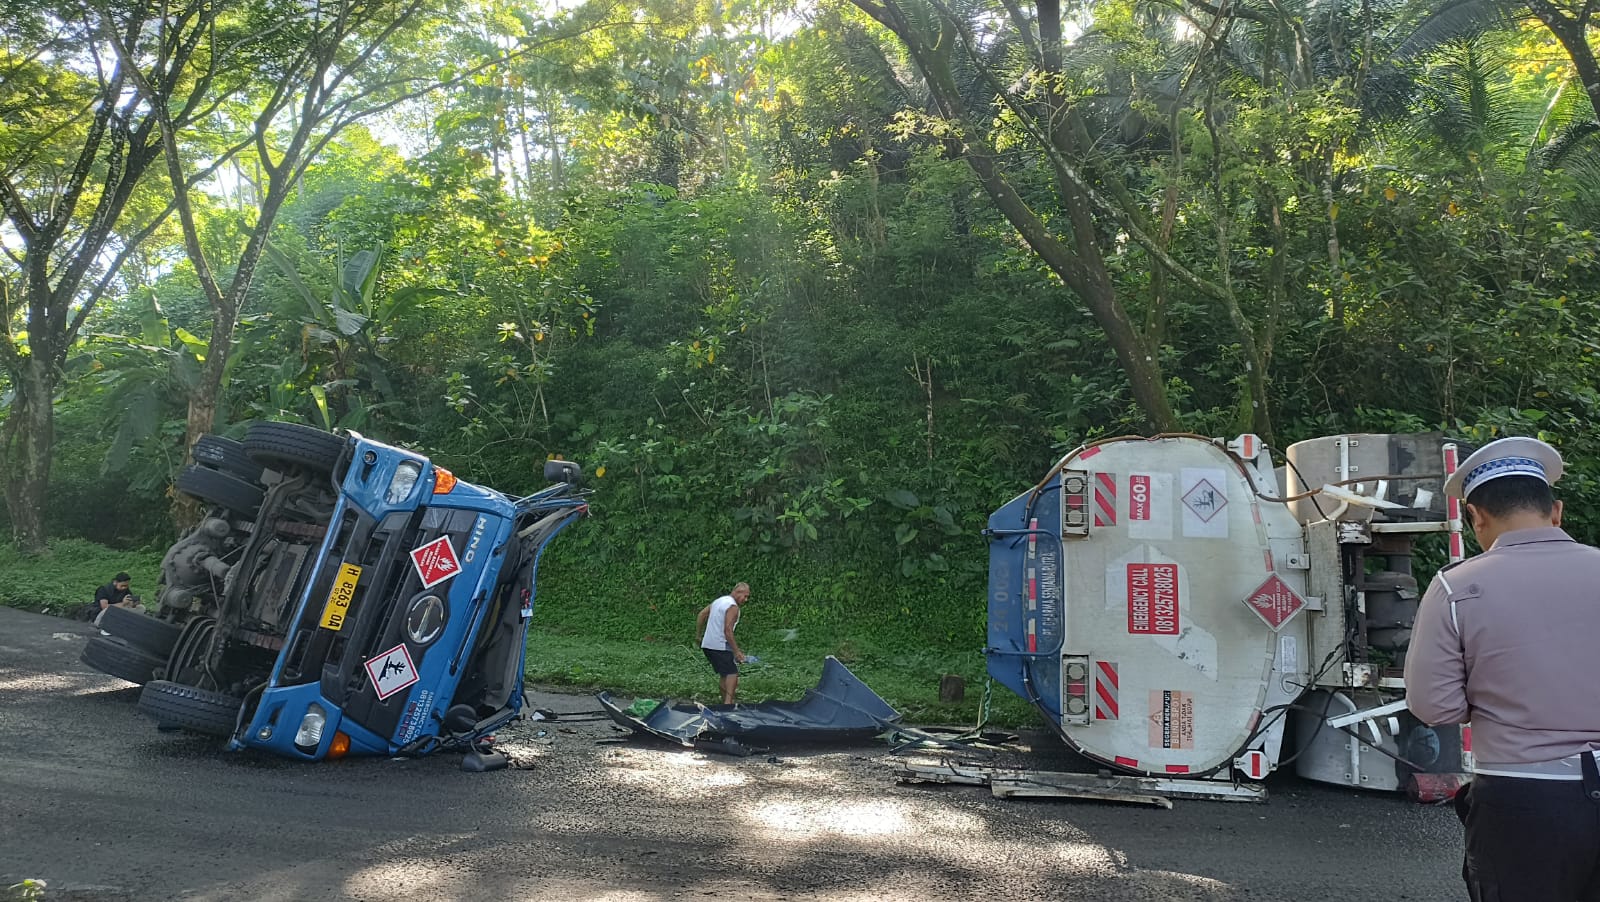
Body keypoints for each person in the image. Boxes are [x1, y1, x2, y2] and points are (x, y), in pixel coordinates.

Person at [1405, 436, 1600, 902]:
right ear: (1556, 511)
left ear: (1476, 517)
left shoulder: (1456, 587)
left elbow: (1433, 705)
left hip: (1520, 799)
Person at [697, 582, 750, 705]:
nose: (746, 599)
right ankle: (728, 704)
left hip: (708, 645)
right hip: (720, 645)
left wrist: (698, 636)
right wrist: (737, 652)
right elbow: (727, 630)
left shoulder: (718, 601)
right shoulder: (733, 607)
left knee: (724, 674)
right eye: (745, 596)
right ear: (737, 592)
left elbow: (701, 615)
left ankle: (724, 701)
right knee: (732, 673)